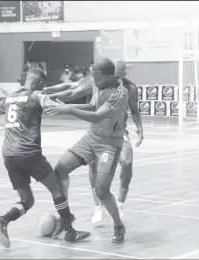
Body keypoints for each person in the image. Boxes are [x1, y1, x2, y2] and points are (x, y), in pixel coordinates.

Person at [0, 68, 90, 248]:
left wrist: (9, 100)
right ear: (40, 84)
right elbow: (50, 104)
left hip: (8, 155)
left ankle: (3, 220)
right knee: (57, 190)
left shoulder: (11, 97)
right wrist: (71, 107)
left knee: (27, 201)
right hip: (29, 153)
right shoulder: (36, 96)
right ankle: (70, 231)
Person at [45, 58, 129, 243]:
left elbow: (98, 115)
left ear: (109, 76)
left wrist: (68, 110)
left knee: (101, 190)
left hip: (109, 144)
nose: (94, 82)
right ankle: (65, 218)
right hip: (90, 139)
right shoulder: (97, 81)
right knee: (59, 170)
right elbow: (86, 102)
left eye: (97, 79)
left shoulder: (119, 93)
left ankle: (118, 226)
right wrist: (47, 98)